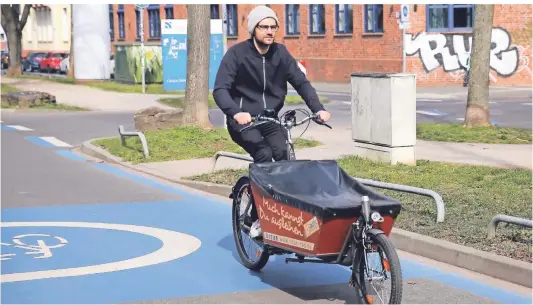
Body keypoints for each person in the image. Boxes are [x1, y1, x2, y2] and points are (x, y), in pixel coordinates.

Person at [213, 5, 331, 238]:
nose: (269, 31)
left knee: (284, 156)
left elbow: (301, 83)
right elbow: (220, 90)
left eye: (273, 27)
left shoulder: (281, 54)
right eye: (264, 27)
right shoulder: (237, 55)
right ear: (253, 29)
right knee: (264, 156)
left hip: (269, 119)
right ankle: (256, 217)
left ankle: (284, 215)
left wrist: (318, 109)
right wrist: (236, 112)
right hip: (243, 122)